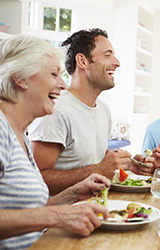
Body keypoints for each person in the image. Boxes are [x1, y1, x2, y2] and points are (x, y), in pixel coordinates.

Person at [0, 35, 110, 249]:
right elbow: (42, 217)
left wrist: (71, 194)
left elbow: (28, 214)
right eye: (53, 74)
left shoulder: (20, 133)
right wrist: (57, 215)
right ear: (21, 78)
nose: (62, 85)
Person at [28, 28, 153, 195]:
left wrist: (127, 165)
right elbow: (37, 179)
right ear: (83, 61)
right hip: (64, 215)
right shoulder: (55, 110)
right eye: (107, 55)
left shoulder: (103, 110)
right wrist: (100, 169)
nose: (117, 62)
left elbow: (92, 162)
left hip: (96, 209)